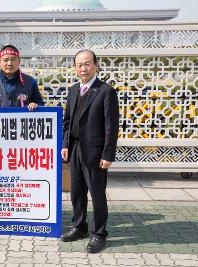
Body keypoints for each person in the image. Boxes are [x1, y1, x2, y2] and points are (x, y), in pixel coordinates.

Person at [61, 49, 119, 253]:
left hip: (95, 152)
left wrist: (107, 154)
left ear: (96, 65)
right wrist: (65, 144)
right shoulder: (74, 89)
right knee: (76, 191)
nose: (83, 68)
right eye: (79, 65)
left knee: (97, 194)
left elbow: (112, 127)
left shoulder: (106, 91)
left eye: (87, 64)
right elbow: (67, 121)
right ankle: (79, 226)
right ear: (75, 67)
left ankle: (100, 234)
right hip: (75, 148)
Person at [0, 44, 44, 111]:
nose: (9, 63)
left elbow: (40, 104)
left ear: (19, 61)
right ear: (0, 62)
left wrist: (35, 105)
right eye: (5, 60)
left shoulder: (30, 82)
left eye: (13, 59)